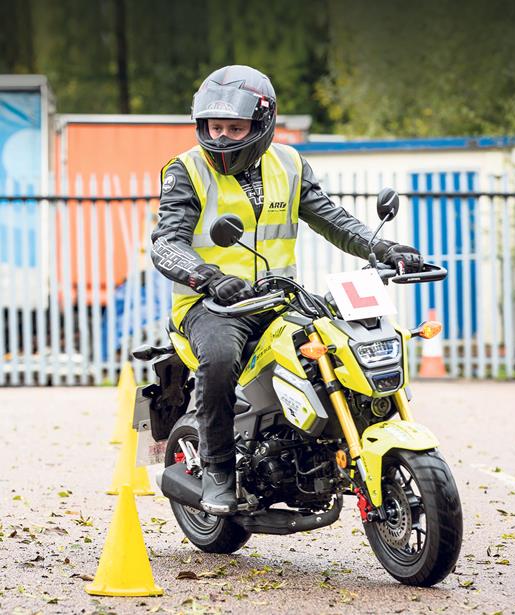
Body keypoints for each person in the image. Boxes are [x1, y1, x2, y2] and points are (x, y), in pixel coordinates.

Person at [150, 65, 423, 515]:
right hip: (211, 304)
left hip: (280, 297)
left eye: (234, 128)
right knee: (218, 359)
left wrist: (383, 248)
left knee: (341, 340)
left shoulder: (290, 163)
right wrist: (210, 277)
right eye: (214, 127)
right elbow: (167, 243)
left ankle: (326, 444)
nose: (221, 138)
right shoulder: (186, 170)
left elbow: (332, 219)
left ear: (262, 124)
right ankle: (219, 470)